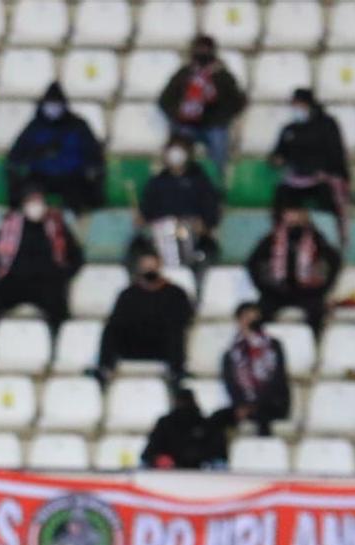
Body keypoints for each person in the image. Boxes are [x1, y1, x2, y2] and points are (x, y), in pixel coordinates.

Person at [0, 186, 82, 357]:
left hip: (46, 283)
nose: (35, 206)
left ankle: (57, 352)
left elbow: (76, 257)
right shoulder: (9, 225)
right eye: (31, 201)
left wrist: (63, 276)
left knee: (59, 306)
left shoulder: (57, 227)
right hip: (14, 282)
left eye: (38, 201)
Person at [5, 82, 105, 214]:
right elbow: (16, 155)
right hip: (39, 177)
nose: (53, 108)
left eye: (57, 104)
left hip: (72, 178)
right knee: (30, 199)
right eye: (50, 104)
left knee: (79, 202)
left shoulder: (78, 126)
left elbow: (94, 154)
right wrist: (38, 153)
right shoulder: (35, 126)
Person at [94, 252, 192, 386]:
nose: (150, 270)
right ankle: (105, 369)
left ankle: (176, 373)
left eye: (153, 266)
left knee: (175, 329)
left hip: (163, 347)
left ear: (159, 266)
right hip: (133, 346)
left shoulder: (175, 293)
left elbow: (185, 318)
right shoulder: (128, 295)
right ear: (139, 268)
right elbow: (117, 321)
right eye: (146, 266)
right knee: (111, 328)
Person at [245, 203, 339, 336]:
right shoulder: (272, 238)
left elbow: (333, 261)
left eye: (296, 212)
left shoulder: (316, 238)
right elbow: (253, 263)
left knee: (318, 312)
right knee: (259, 314)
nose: (291, 216)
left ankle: (314, 348)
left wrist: (322, 288)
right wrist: (265, 286)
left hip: (308, 292)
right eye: (288, 212)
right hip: (277, 292)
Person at [157, 34, 247, 175]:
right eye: (199, 48)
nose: (203, 52)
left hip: (214, 125)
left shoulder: (223, 76)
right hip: (187, 124)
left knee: (219, 143)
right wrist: (178, 114)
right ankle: (178, 178)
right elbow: (164, 100)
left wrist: (222, 117)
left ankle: (219, 182)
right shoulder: (184, 74)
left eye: (206, 49)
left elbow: (238, 101)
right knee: (179, 143)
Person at [131, 138, 221, 275]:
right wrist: (142, 220)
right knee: (137, 250)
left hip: (192, 236)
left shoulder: (200, 181)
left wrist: (204, 225)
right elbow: (146, 212)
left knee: (205, 254)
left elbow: (211, 212)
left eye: (180, 149)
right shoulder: (157, 182)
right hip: (160, 235)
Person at [269, 87, 351, 219]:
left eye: (299, 105)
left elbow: (336, 155)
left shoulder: (327, 125)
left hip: (323, 179)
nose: (296, 109)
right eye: (294, 105)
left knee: (327, 197)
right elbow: (278, 154)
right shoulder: (290, 129)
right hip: (296, 179)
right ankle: (282, 234)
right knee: (282, 194)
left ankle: (328, 234)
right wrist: (277, 160)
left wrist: (322, 172)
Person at [221, 303, 291, 436]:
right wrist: (241, 404)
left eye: (254, 318)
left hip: (272, 403)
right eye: (246, 317)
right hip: (244, 404)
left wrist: (255, 404)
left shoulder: (274, 346)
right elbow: (230, 382)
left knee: (262, 415)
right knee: (218, 419)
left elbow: (278, 378)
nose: (251, 322)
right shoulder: (232, 352)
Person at [140, 388, 233, 469]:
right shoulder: (165, 424)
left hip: (201, 473)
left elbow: (219, 457)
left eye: (186, 401)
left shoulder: (207, 425)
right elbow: (148, 454)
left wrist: (205, 460)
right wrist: (158, 459)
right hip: (170, 474)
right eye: (181, 402)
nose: (184, 406)